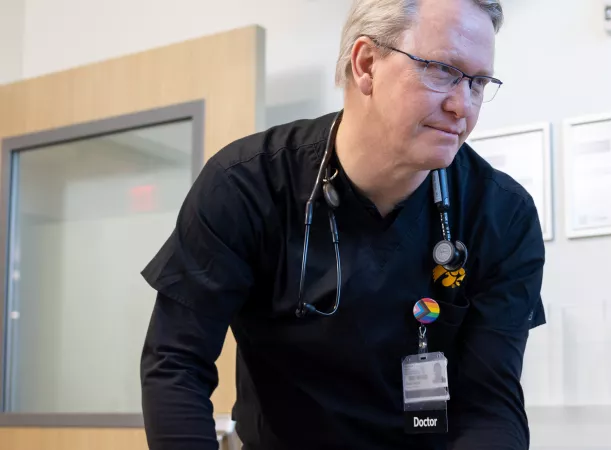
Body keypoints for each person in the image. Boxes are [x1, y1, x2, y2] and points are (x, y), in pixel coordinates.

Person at [139, 0, 546, 448]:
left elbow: (490, 403)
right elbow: (177, 363)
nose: (461, 106)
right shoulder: (247, 186)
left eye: (478, 82)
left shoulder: (502, 215)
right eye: (443, 70)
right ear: (366, 64)